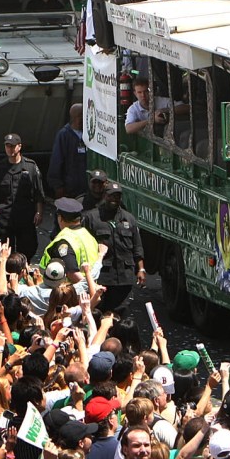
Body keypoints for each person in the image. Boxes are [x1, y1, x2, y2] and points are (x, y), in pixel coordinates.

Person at [81, 182, 145, 310]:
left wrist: (141, 269)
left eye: (117, 196)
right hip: (102, 276)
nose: (114, 199)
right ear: (105, 196)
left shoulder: (129, 219)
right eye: (111, 196)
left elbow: (137, 247)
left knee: (120, 312)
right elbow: (84, 245)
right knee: (99, 310)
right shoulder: (92, 218)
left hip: (124, 277)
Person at [0, 133, 45, 258]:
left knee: (27, 249)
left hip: (25, 217)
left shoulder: (30, 167)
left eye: (12, 146)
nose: (10, 149)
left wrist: (39, 212)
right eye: (7, 146)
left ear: (19, 147)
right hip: (4, 218)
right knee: (4, 251)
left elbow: (38, 193)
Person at [40, 198, 100, 283]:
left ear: (60, 218)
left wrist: (90, 287)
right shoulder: (88, 235)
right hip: (90, 289)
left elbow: (72, 274)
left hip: (71, 292)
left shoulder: (64, 241)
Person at [48, 104, 87, 199]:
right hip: (70, 188)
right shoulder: (64, 135)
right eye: (81, 115)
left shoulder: (88, 134)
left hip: (86, 188)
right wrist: (58, 186)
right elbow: (56, 161)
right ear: (75, 117)